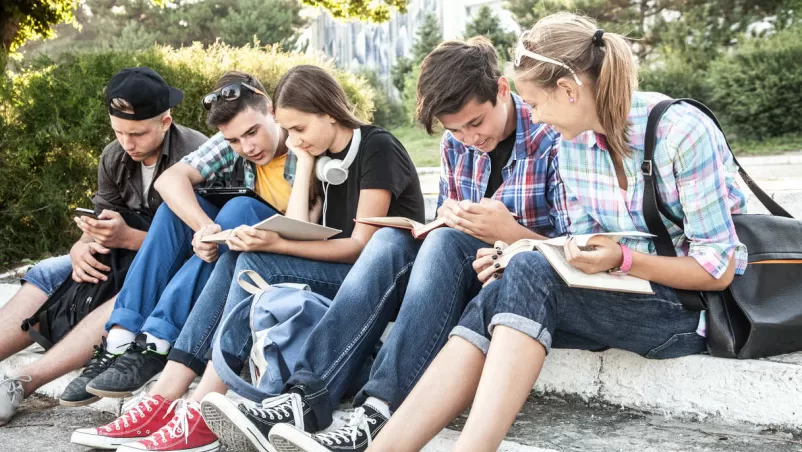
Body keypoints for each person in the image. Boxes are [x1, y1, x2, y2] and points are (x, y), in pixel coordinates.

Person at [370, 12, 749, 452]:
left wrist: (622, 259)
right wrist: (513, 252)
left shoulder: (679, 131)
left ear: (568, 90)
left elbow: (717, 269)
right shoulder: (574, 146)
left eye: (533, 103)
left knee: (528, 273)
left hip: (690, 308)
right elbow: (576, 247)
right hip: (621, 294)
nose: (534, 117)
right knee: (508, 281)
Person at [203, 37, 570, 452]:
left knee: (417, 242)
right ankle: (308, 398)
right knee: (396, 241)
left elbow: (574, 247)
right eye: (455, 129)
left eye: (477, 123)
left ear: (503, 90)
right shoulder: (455, 145)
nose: (469, 138)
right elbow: (448, 220)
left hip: (522, 277)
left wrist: (509, 232)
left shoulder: (553, 136)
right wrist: (443, 222)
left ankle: (376, 409)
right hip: (463, 267)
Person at [72, 64, 425, 452]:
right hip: (345, 271)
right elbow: (298, 226)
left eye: (299, 130)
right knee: (236, 257)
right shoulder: (320, 154)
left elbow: (362, 247)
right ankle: (172, 401)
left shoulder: (376, 146)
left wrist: (273, 244)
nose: (292, 140)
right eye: (288, 131)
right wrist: (305, 162)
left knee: (252, 256)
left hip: (382, 277)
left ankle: (198, 408)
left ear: (329, 111)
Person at [0, 67, 207, 427]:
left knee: (128, 294)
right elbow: (100, 218)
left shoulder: (198, 156)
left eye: (137, 133)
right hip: (120, 255)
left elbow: (199, 248)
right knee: (48, 271)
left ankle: (21, 384)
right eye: (118, 131)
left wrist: (129, 239)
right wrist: (81, 246)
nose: (127, 143)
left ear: (165, 121)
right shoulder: (114, 156)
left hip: (169, 268)